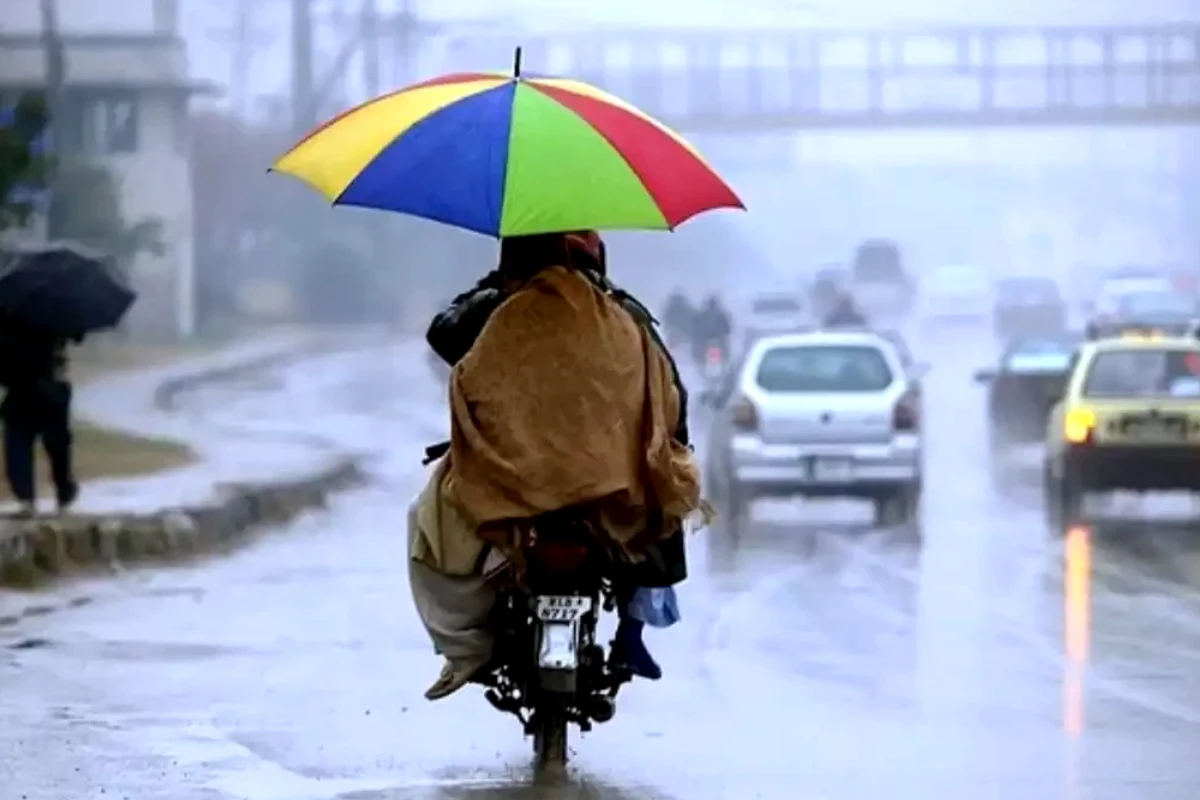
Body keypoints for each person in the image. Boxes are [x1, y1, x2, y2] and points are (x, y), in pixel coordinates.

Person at [413, 231, 700, 700]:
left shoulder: (498, 310)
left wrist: (493, 287)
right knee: (661, 497)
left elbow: (444, 335)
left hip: (513, 482)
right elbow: (671, 398)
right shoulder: (623, 314)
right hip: (604, 486)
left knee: (437, 523)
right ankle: (631, 633)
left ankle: (469, 648)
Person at [0, 321, 79, 517]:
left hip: (20, 389)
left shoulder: (8, 316)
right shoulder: (55, 315)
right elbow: (76, 333)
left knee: (18, 443)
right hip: (50, 389)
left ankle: (26, 496)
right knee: (57, 444)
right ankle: (64, 490)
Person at [690, 294, 732, 365]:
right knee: (725, 352)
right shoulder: (721, 315)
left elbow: (696, 327)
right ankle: (726, 362)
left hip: (706, 339)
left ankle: (699, 361)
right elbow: (727, 328)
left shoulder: (703, 315)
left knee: (698, 352)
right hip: (717, 339)